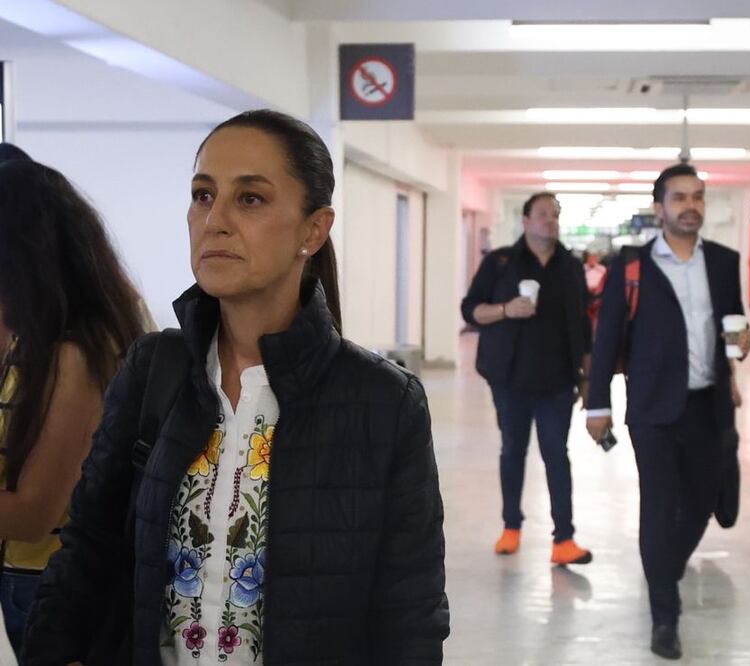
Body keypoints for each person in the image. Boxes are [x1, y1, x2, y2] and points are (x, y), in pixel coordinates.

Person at [23, 110, 450, 665]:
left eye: (250, 199)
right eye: (203, 195)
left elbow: (410, 614)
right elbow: (88, 548)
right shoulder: (156, 370)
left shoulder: (384, 402)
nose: (215, 220)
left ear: (313, 230)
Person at [586, 164, 750, 660]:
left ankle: (663, 568)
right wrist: (597, 404)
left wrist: (741, 347)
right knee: (659, 506)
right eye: (679, 197)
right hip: (653, 407)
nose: (690, 205)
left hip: (708, 404)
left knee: (701, 501)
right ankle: (665, 617)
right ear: (660, 208)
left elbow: (732, 333)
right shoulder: (632, 266)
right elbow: (608, 336)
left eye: (698, 196)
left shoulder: (723, 261)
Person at [0, 158, 147, 657]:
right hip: (29, 585)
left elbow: (31, 515)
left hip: (53, 591)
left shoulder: (79, 354)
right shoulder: (35, 344)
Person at [460, 192, 593, 566]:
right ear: (526, 220)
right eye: (543, 214)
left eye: (556, 215)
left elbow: (583, 324)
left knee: (556, 455)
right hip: (510, 379)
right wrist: (505, 310)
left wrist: (587, 377)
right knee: (513, 451)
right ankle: (511, 527)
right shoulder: (501, 262)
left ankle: (564, 539)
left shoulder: (570, 266)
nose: (551, 221)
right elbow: (470, 310)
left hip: (558, 382)